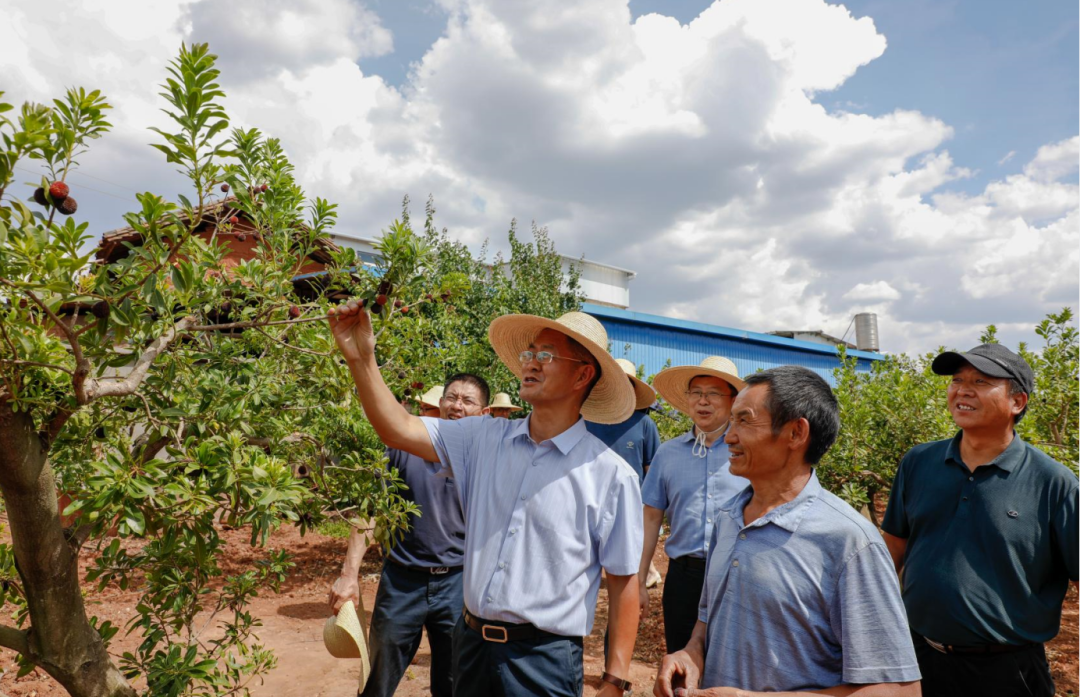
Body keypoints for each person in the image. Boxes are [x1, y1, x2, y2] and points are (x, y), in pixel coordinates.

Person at [328, 305, 643, 697]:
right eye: (529, 354)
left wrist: (614, 680)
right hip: (472, 646)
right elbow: (398, 428)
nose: (530, 363)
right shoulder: (482, 438)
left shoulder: (610, 475)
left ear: (582, 374)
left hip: (544, 660)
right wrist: (362, 359)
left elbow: (624, 582)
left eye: (546, 355)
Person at [655, 366, 921, 697]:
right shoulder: (727, 519)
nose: (729, 437)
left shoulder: (850, 541)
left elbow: (899, 691)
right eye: (732, 420)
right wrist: (692, 655)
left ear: (796, 433)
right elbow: (707, 623)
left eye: (744, 420)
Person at [882, 344, 1078, 697]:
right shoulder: (919, 463)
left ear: (1017, 402)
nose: (962, 389)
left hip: (1008, 670)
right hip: (918, 657)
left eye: (981, 381)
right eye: (957, 380)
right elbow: (894, 545)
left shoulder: (1053, 482)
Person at [329, 373, 491, 697]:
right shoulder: (402, 446)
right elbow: (370, 509)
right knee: (377, 678)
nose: (457, 405)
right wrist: (349, 575)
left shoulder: (488, 460)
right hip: (402, 582)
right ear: (440, 403)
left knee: (454, 683)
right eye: (452, 397)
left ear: (484, 413)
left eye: (468, 400)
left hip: (457, 585)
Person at [638, 357, 748, 653]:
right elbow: (651, 519)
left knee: (731, 662)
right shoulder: (668, 453)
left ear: (733, 400)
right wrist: (640, 580)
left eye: (713, 393)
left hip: (738, 574)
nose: (703, 401)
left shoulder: (748, 451)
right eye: (696, 393)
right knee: (680, 658)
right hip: (683, 578)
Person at [586, 358, 660, 486]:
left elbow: (654, 474)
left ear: (632, 390)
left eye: (625, 384)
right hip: (591, 500)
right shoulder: (587, 421)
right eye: (615, 383)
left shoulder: (644, 424)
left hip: (632, 502)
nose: (619, 388)